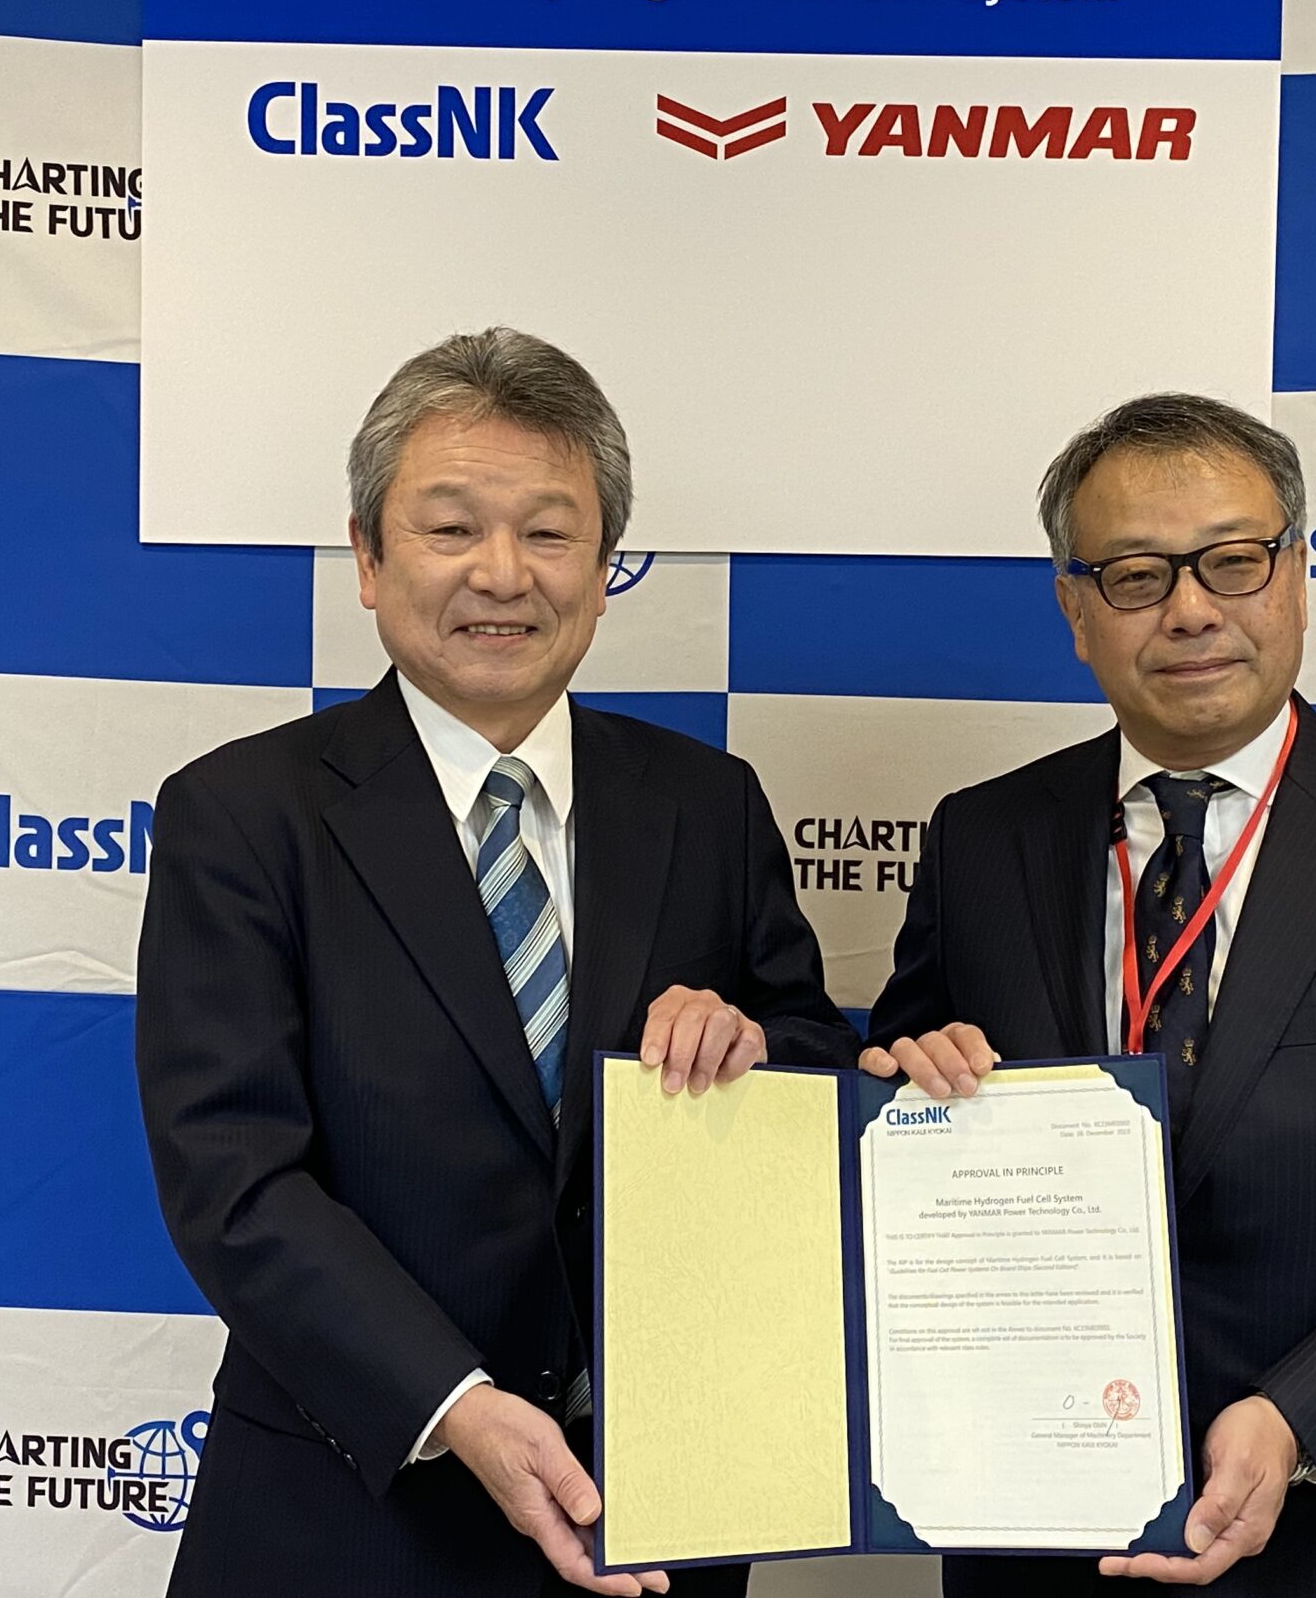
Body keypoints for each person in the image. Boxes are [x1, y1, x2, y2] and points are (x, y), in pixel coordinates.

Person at [137, 328, 858, 1598]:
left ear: (605, 565)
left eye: (548, 531)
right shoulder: (244, 816)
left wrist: (755, 1049)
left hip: (653, 1515)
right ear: (368, 557)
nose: (502, 573)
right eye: (451, 528)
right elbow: (232, 1179)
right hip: (350, 1512)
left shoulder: (707, 804)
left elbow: (813, 1069)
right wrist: (456, 1405)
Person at [865, 393, 1316, 1595]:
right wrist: (901, 1091)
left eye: (1232, 561)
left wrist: (1300, 1417)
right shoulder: (980, 841)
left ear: (1297, 577)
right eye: (1135, 575)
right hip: (1035, 1538)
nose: (1191, 609)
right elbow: (896, 1123)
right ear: (1074, 611)